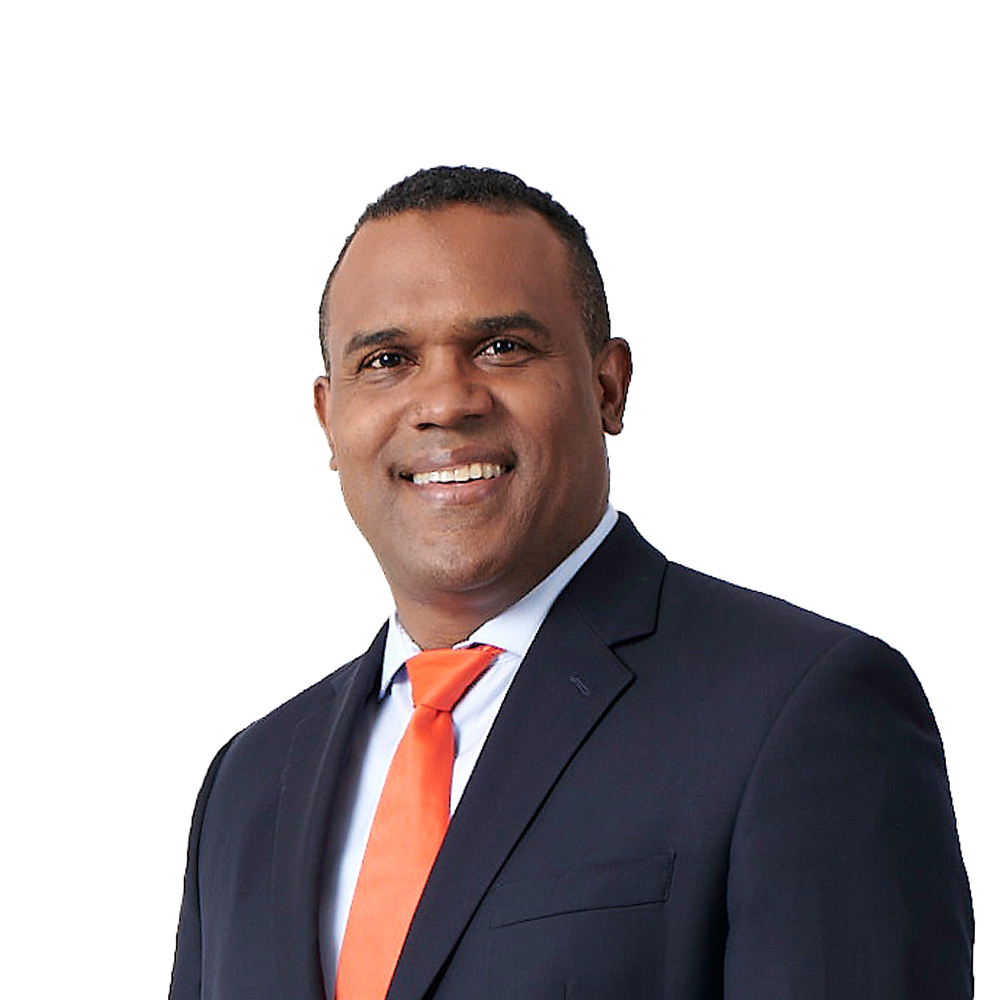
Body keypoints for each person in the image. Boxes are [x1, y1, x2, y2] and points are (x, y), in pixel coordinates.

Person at [169, 166, 973, 1000]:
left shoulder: (802, 712)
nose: (445, 401)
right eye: (388, 360)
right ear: (328, 418)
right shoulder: (248, 783)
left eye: (501, 348)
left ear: (607, 386)